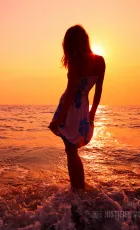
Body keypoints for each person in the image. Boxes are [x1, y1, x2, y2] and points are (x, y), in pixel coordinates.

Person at [49, 25, 106, 191]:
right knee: (72, 151)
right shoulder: (100, 61)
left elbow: (71, 92)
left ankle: (77, 188)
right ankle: (79, 186)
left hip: (71, 108)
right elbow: (98, 90)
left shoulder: (75, 62)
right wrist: (92, 113)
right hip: (83, 108)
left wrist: (58, 119)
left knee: (71, 151)